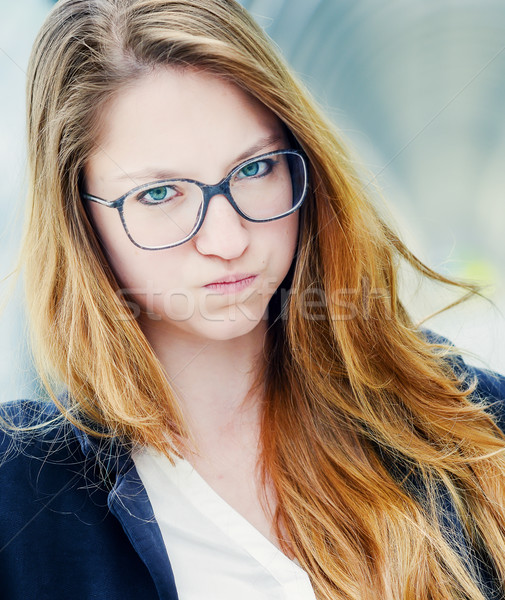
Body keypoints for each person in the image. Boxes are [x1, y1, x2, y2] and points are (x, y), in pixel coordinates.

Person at [1, 0, 505, 598]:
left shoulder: (462, 420)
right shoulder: (23, 489)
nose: (228, 239)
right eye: (160, 194)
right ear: (79, 218)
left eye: (255, 168)